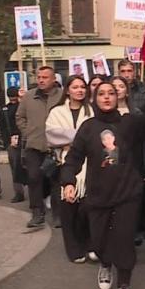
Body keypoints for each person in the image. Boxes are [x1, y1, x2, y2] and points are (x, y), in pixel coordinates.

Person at [60, 81, 145, 289]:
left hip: (128, 193)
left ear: (118, 97)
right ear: (94, 98)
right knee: (98, 241)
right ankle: (105, 263)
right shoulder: (88, 127)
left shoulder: (129, 123)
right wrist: (68, 182)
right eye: (102, 94)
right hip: (98, 196)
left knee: (124, 241)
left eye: (111, 93)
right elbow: (74, 158)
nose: (107, 97)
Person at [46, 76, 94, 262]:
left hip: (89, 164)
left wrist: (72, 138)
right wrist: (81, 138)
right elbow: (52, 135)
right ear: (68, 90)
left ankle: (90, 244)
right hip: (65, 163)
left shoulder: (92, 111)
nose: (80, 90)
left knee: (88, 207)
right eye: (75, 87)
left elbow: (95, 135)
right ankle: (74, 250)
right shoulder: (56, 112)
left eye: (83, 87)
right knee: (69, 208)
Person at [17, 66, 63, 227]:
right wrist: (28, 132)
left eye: (45, 77)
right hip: (34, 145)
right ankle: (37, 213)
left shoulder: (62, 96)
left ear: (53, 79)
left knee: (56, 181)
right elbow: (20, 117)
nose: (41, 80)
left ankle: (59, 215)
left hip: (56, 146)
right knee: (34, 178)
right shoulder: (29, 97)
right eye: (39, 77)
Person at [118, 60, 145, 245]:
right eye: (123, 71)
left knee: (141, 185)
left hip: (141, 144)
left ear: (135, 71)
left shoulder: (143, 90)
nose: (126, 74)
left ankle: (143, 225)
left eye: (129, 70)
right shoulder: (113, 89)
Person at [1, 87, 26, 203]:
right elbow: (2, 127)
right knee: (15, 167)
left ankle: (31, 190)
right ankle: (18, 192)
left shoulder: (23, 106)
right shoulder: (5, 109)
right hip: (12, 141)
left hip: (24, 139)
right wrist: (8, 141)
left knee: (27, 165)